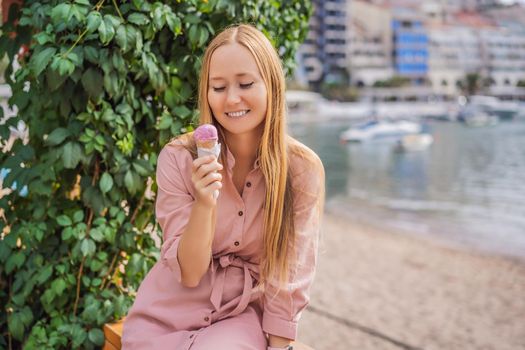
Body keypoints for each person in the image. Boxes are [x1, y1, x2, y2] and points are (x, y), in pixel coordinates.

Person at [122, 23, 325, 350]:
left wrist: (280, 346)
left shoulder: (302, 170)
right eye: (218, 87)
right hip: (164, 317)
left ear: (271, 86)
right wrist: (205, 203)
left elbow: (289, 277)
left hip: (239, 317)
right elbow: (189, 273)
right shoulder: (178, 158)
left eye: (245, 84)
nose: (232, 99)